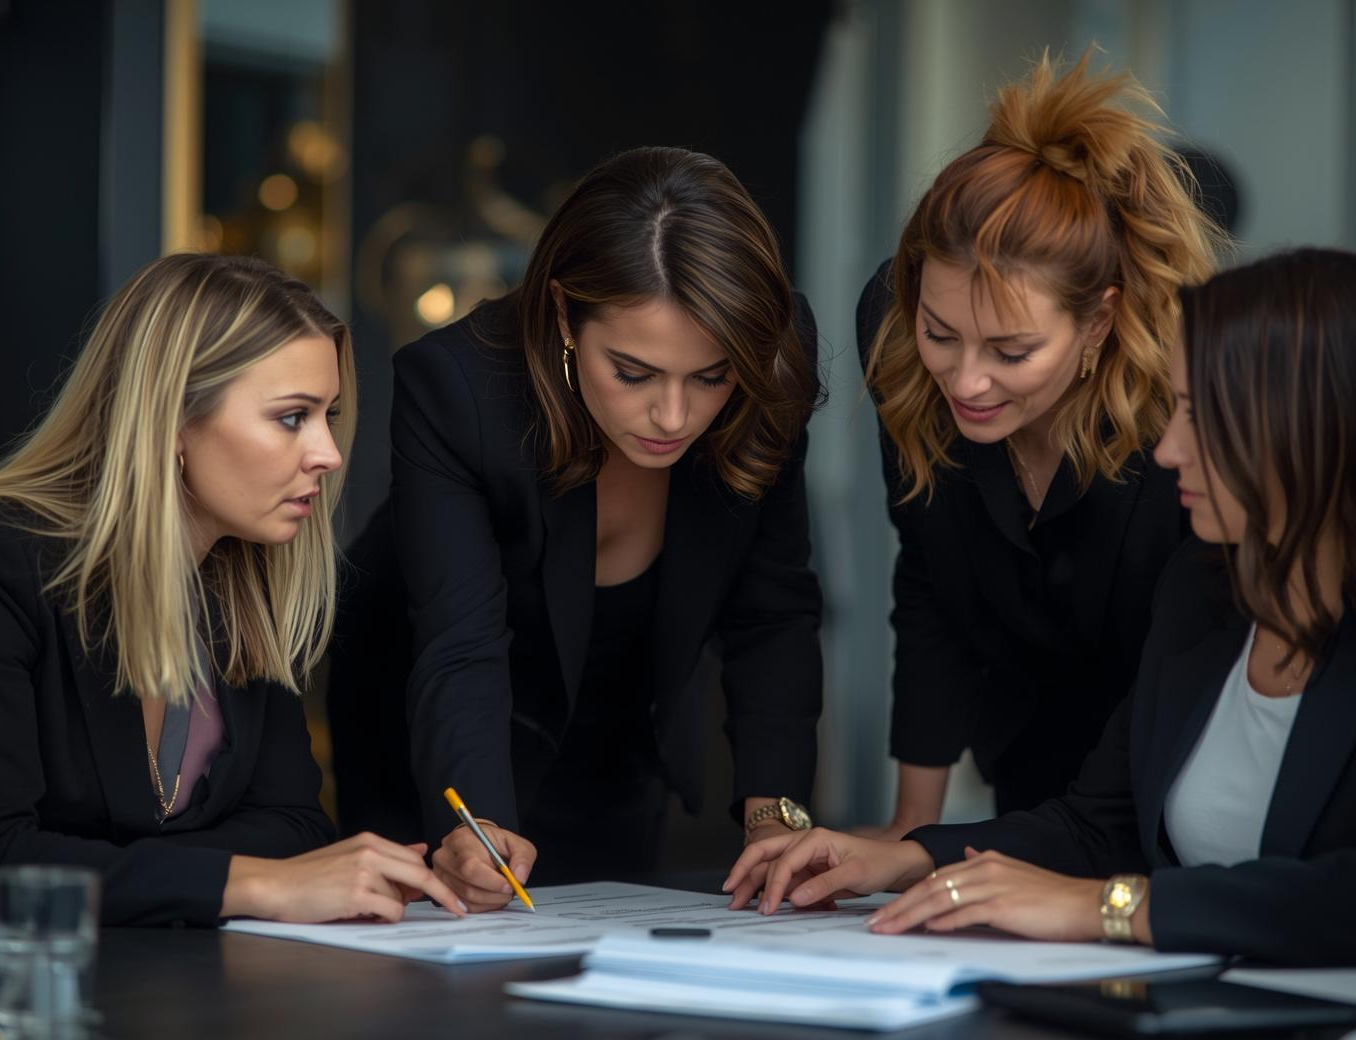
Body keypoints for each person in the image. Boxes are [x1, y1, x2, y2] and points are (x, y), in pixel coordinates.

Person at [726, 248, 1356, 965]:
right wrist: (906, 857)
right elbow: (1096, 826)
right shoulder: (1201, 590)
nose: (1171, 448)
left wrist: (1110, 907)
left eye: (1199, 416)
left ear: (1314, 429)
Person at [334, 146, 824, 908]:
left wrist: (775, 817)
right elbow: (461, 643)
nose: (674, 417)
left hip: (621, 733)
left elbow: (774, 609)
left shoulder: (773, 355)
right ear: (564, 312)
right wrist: (477, 823)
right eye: (632, 373)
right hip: (437, 733)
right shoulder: (458, 389)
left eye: (711, 376)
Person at [0, 253, 464, 927]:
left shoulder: (247, 585)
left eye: (330, 414)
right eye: (293, 417)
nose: (329, 452)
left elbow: (294, 827)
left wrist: (115, 868)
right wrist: (257, 886)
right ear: (172, 419)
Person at [856, 51, 1224, 831]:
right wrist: (907, 830)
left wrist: (1073, 847)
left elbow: (1191, 655)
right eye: (941, 333)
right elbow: (928, 579)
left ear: (1098, 322)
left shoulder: (1179, 404)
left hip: (1168, 767)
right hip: (1020, 745)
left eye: (1011, 352)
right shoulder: (893, 337)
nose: (966, 381)